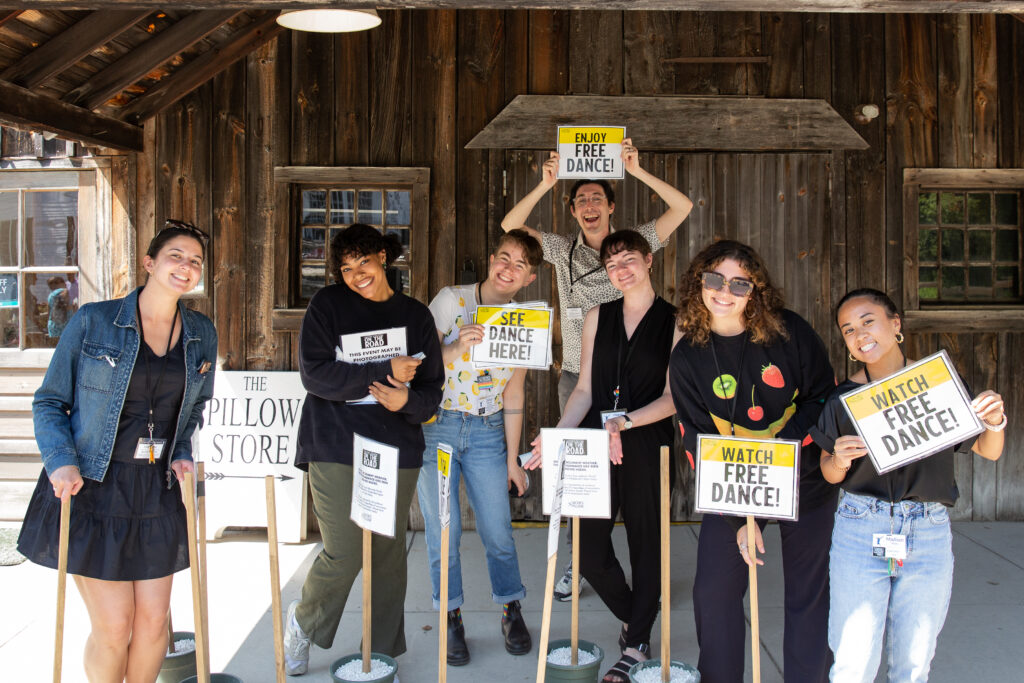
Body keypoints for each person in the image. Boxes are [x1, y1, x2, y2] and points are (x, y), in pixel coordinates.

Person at [18, 219, 216, 683]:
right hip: (94, 487)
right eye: (176, 256)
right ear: (150, 262)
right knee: (115, 626)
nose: (186, 267)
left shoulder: (201, 332)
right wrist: (61, 461)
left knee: (152, 627)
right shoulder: (95, 321)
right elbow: (49, 400)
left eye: (195, 261)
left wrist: (183, 450)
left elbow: (193, 409)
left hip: (157, 490)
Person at [502, 138, 693, 600]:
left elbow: (682, 206)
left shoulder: (632, 244)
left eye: (597, 198)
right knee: (581, 481)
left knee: (641, 482)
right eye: (580, 199)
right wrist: (546, 183)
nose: (589, 205)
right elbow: (511, 225)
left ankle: (648, 574)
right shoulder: (561, 248)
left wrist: (637, 169)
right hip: (581, 378)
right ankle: (579, 562)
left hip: (639, 379)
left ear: (611, 206)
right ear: (572, 211)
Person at [813, 288, 1006, 683]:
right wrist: (839, 458)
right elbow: (829, 472)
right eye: (848, 329)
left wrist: (995, 422)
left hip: (927, 529)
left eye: (868, 321)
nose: (859, 334)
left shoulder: (938, 384)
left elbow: (988, 450)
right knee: (853, 661)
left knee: (915, 663)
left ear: (895, 324)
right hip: (860, 526)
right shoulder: (844, 398)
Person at [668, 239, 837, 683]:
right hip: (732, 487)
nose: (724, 291)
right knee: (714, 592)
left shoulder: (789, 332)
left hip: (805, 478)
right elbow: (694, 436)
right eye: (714, 279)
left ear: (755, 290)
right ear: (697, 284)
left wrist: (779, 449)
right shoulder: (687, 355)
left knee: (808, 592)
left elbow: (823, 395)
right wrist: (734, 518)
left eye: (739, 283)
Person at [284, 224, 444, 676]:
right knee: (347, 549)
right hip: (334, 441)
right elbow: (315, 374)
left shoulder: (415, 316)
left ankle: (381, 652)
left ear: (383, 256)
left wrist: (407, 401)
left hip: (395, 445)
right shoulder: (327, 306)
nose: (356, 275)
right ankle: (304, 621)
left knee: (388, 553)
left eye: (364, 263)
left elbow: (433, 391)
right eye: (347, 268)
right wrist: (383, 369)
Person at [525, 230, 680, 683]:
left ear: (648, 260)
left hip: (648, 441)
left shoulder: (677, 321)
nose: (621, 270)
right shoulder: (598, 315)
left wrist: (625, 422)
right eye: (612, 265)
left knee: (646, 544)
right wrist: (557, 435)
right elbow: (585, 390)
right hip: (595, 443)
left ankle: (635, 644)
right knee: (590, 552)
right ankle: (638, 617)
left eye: (629, 260)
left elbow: (674, 397)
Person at [416, 229, 543, 666]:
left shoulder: (525, 322)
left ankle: (510, 608)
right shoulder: (453, 300)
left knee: (497, 530)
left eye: (519, 265)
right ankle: (450, 616)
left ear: (529, 279)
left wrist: (512, 457)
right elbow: (421, 360)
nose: (508, 268)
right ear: (491, 259)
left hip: (489, 430)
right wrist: (455, 345)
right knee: (442, 532)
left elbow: (514, 393)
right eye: (503, 257)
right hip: (440, 427)